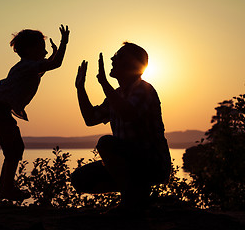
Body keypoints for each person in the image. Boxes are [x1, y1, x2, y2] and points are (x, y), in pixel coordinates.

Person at [72, 42, 171, 213]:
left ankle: (131, 201)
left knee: (106, 143)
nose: (112, 58)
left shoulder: (144, 90)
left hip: (152, 164)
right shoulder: (116, 94)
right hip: (130, 163)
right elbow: (90, 118)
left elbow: (127, 113)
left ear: (133, 64)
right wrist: (80, 88)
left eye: (119, 56)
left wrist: (103, 83)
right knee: (80, 179)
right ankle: (138, 193)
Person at [0, 25, 69, 201]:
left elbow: (48, 65)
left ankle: (4, 187)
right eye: (42, 49)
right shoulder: (27, 66)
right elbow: (55, 64)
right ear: (30, 50)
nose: (45, 52)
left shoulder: (29, 67)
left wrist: (54, 53)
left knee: (14, 149)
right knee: (13, 149)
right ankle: (5, 188)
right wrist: (64, 43)